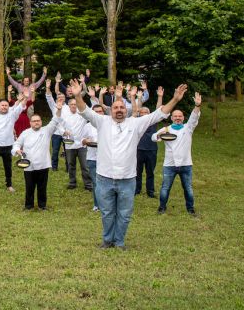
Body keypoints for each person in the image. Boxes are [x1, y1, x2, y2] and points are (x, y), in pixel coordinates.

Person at [70, 79, 188, 250]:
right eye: (116, 108)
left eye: (122, 108)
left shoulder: (136, 123)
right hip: (104, 177)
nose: (119, 110)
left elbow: (159, 113)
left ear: (127, 110)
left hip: (127, 179)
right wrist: (77, 96)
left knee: (124, 214)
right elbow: (84, 111)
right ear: (111, 110)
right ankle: (107, 240)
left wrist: (175, 99)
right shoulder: (101, 122)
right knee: (107, 213)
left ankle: (119, 242)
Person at [152, 92, 202, 217]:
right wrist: (159, 135)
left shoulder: (188, 128)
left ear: (183, 118)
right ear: (171, 118)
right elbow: (153, 137)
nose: (178, 118)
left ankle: (190, 209)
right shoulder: (167, 129)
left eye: (180, 116)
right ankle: (162, 208)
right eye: (175, 116)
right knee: (165, 188)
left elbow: (194, 117)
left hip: (186, 164)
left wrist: (197, 105)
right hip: (169, 165)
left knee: (188, 189)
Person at [12, 98, 64, 210]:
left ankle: (42, 205)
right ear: (30, 123)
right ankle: (28, 206)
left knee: (42, 187)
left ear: (41, 122)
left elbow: (56, 120)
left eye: (38, 120)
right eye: (34, 121)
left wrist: (58, 110)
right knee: (29, 187)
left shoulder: (47, 130)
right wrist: (17, 150)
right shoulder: (25, 133)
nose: (36, 122)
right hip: (28, 165)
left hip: (43, 164)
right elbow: (16, 144)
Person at [48, 94, 92, 190]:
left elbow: (90, 111)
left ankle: (88, 184)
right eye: (72, 104)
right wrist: (63, 132)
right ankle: (72, 182)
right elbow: (58, 123)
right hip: (69, 144)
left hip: (81, 143)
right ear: (68, 105)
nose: (74, 106)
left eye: (75, 104)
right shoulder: (64, 114)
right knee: (71, 165)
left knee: (85, 166)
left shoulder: (82, 114)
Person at [0, 96, 25, 192]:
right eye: (2, 105)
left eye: (6, 105)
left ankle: (9, 185)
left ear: (8, 107)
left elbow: (20, 107)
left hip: (8, 145)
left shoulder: (12, 115)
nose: (4, 107)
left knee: (8, 166)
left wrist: (25, 98)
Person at [135, 86, 165, 197]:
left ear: (149, 114)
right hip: (138, 150)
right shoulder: (137, 121)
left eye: (145, 112)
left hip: (151, 149)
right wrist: (138, 99)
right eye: (141, 113)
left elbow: (158, 110)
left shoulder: (153, 121)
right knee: (137, 172)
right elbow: (137, 109)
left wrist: (160, 97)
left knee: (150, 172)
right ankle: (136, 190)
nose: (143, 114)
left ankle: (150, 192)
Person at [81, 104, 106, 211]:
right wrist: (86, 141)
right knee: (96, 183)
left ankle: (108, 205)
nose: (98, 113)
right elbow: (82, 140)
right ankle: (97, 205)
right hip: (92, 158)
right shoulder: (87, 126)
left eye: (100, 111)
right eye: (96, 111)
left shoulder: (109, 124)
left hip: (107, 158)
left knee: (107, 183)